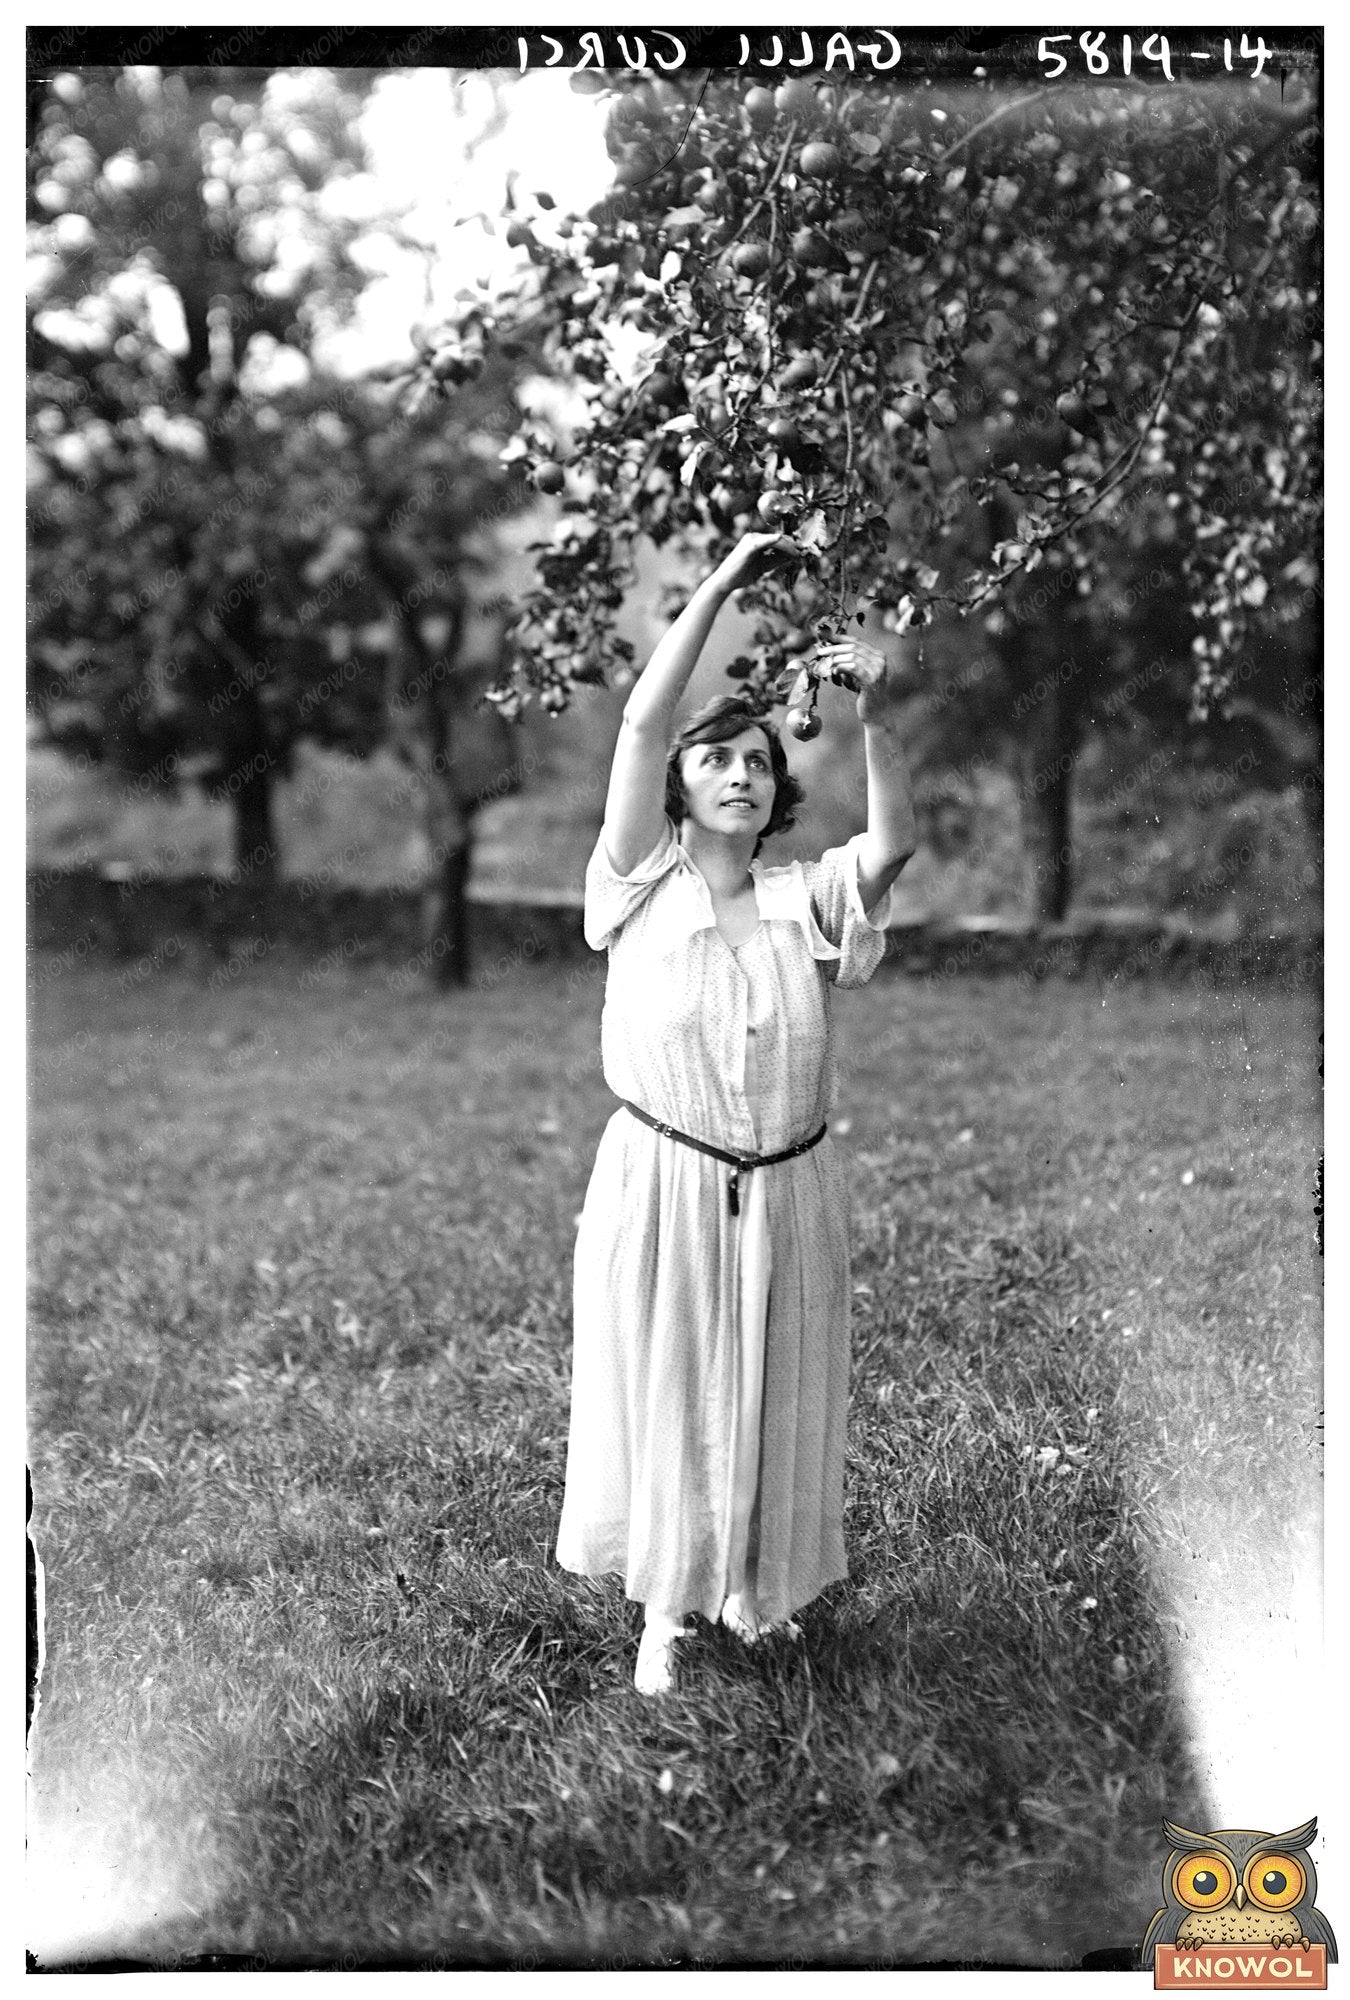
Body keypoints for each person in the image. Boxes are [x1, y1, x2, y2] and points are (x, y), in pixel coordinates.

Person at [555, 530, 918, 1695]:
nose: (740, 773)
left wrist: (877, 710)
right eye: (716, 757)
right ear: (681, 786)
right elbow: (640, 723)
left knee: (775, 1386)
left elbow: (894, 842)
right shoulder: (638, 878)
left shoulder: (804, 895)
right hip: (665, 1178)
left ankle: (757, 1598)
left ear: (776, 792)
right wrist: (724, 581)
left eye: (759, 761)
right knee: (674, 1383)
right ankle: (668, 1610)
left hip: (790, 1181)